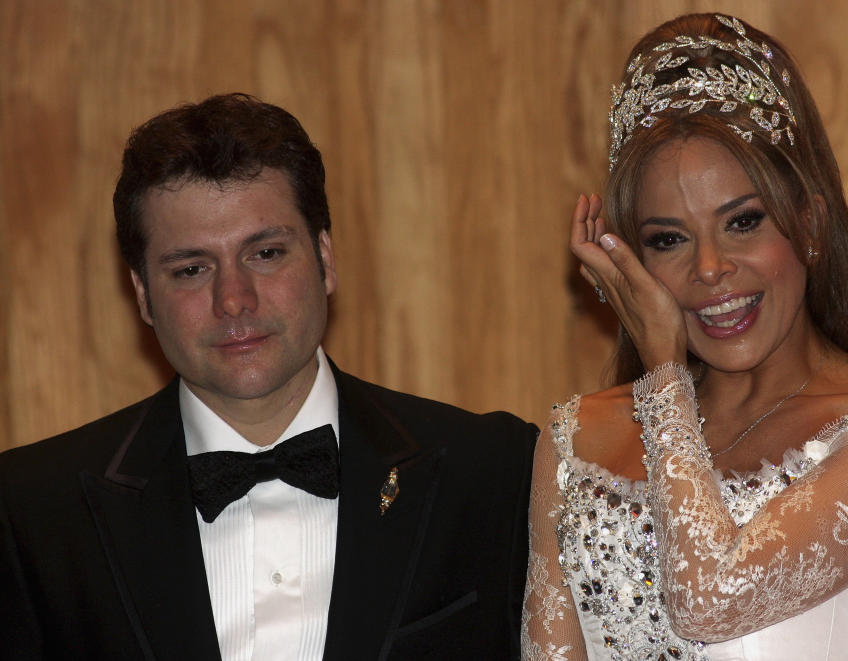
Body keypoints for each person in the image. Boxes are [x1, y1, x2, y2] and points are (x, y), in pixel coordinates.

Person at [0, 93, 538, 661]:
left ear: (326, 260)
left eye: (266, 253)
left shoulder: (496, 474)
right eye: (191, 269)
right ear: (143, 296)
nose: (234, 299)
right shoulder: (30, 512)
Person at [522, 13, 848, 661]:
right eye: (668, 239)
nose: (709, 268)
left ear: (809, 224)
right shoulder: (574, 443)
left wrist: (661, 375)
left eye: (743, 221)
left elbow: (711, 600)